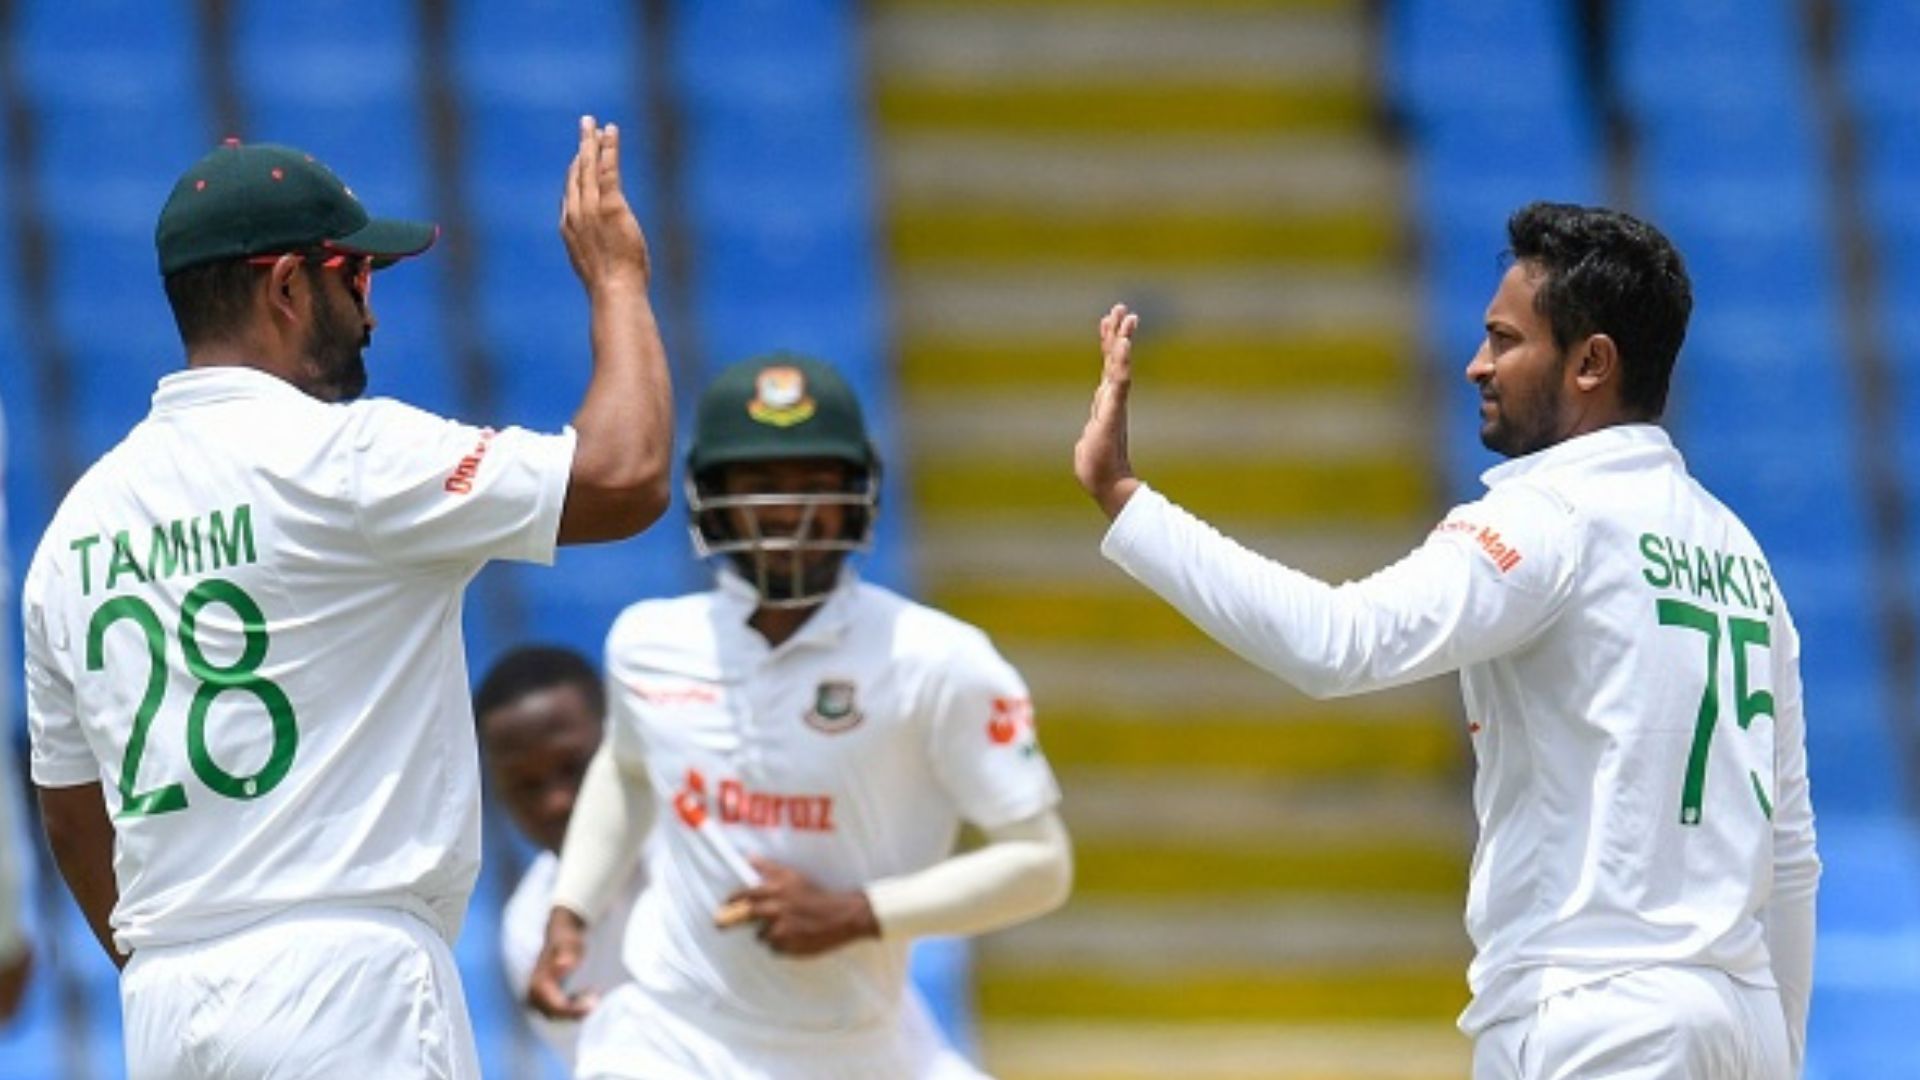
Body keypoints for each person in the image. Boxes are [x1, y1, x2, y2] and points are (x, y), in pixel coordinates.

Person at [1074, 203, 1819, 1079]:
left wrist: (1125, 499)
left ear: (1591, 363)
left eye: (1505, 340)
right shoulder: (1740, 557)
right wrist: (1777, 1050)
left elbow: (1337, 642)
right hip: (1738, 1018)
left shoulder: (1547, 518)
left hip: (1600, 1019)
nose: (1476, 365)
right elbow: (1790, 856)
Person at [23, 115, 674, 1078]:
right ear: (288, 286)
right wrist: (617, 280)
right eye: (356, 277)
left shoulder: (73, 532)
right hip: (347, 985)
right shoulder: (348, 459)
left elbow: (73, 817)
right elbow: (627, 477)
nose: (370, 315)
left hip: (166, 1002)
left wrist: (190, 973)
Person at [528, 354, 1073, 1079]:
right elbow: (627, 771)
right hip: (669, 1031)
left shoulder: (938, 659)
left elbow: (1042, 865)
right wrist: (572, 909)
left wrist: (857, 912)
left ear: (857, 494)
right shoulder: (648, 642)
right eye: (759, 485)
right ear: (712, 497)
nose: (788, 513)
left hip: (850, 1048)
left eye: (814, 484)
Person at [476, 645, 647, 1067]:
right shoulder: (528, 927)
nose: (556, 802)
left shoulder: (697, 850)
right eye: (526, 785)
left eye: (573, 767)